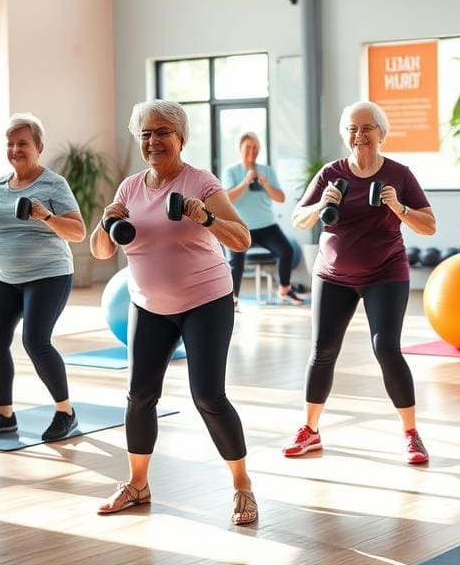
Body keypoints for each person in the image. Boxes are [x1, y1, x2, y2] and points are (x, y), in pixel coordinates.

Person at [90, 99, 258, 525]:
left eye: (162, 131)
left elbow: (241, 239)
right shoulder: (129, 188)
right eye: (145, 133)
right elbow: (99, 249)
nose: (153, 140)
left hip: (206, 301)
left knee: (208, 396)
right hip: (148, 304)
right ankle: (138, 484)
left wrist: (205, 219)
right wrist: (105, 221)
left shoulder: (200, 182)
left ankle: (242, 484)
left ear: (180, 137)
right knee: (139, 396)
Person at [285, 100, 436, 463]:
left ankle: (411, 434)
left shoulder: (399, 174)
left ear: (381, 134)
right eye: (352, 128)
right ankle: (310, 430)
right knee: (322, 350)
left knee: (386, 347)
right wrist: (321, 205)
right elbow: (298, 220)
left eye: (367, 128)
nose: (359, 135)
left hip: (385, 272)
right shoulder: (330, 173)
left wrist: (399, 207)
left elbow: (429, 225)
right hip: (332, 275)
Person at [0, 113, 86, 442]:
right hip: (2, 276)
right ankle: (3, 415)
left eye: (23, 143)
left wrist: (45, 215)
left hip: (48, 275)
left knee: (35, 341)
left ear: (39, 147)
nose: (16, 149)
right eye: (11, 143)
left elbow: (77, 232)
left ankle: (65, 413)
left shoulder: (54, 184)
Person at [222, 131, 303, 306]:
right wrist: (245, 181)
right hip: (241, 226)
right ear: (240, 149)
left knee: (287, 250)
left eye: (256, 147)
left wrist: (265, 184)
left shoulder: (267, 171)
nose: (253, 151)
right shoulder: (231, 171)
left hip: (267, 226)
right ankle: (232, 300)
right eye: (248, 147)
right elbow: (227, 198)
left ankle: (284, 290)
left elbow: (280, 198)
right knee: (236, 264)